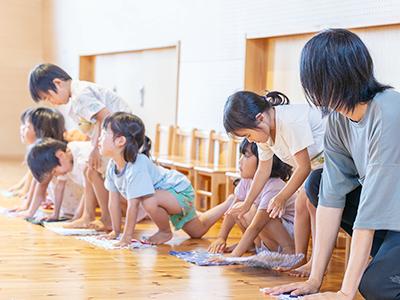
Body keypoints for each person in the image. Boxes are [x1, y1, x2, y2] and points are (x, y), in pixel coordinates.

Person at [264, 28, 400, 300]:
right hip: (391, 218)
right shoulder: (339, 119)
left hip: (388, 213)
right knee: (317, 182)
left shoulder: (389, 111)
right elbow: (331, 196)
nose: (312, 89)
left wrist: (344, 293)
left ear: (339, 75)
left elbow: (371, 208)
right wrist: (315, 278)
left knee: (375, 286)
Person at [223, 90, 326, 275]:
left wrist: (282, 197)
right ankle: (298, 258)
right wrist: (247, 204)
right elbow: (263, 170)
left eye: (247, 135)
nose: (250, 140)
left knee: (309, 204)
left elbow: (303, 167)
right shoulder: (265, 130)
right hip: (317, 167)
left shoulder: (289, 123)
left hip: (334, 161)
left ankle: (317, 264)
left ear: (260, 118)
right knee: (303, 205)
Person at [98, 112, 236, 246]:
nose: (99, 138)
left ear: (121, 141)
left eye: (104, 133)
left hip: (179, 191)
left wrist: (126, 237)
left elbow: (133, 205)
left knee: (148, 200)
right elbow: (113, 201)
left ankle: (164, 231)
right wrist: (116, 232)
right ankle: (229, 202)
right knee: (198, 231)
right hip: (167, 196)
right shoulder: (112, 166)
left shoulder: (137, 164)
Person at [28, 63, 137, 229]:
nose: (52, 103)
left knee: (91, 169)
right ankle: (89, 215)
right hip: (120, 138)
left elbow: (106, 118)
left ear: (58, 83)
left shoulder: (81, 94)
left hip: (126, 141)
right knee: (89, 169)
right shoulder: (79, 93)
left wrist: (94, 150)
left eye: (49, 98)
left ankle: (105, 219)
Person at [207, 139, 295, 260]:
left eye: (246, 156)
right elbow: (231, 210)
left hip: (287, 236)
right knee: (238, 208)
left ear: (264, 161)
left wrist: (234, 256)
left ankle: (288, 249)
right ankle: (252, 244)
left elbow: (256, 226)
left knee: (253, 211)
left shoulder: (274, 185)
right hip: (267, 237)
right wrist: (221, 238)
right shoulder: (247, 180)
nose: (240, 161)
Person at [11, 107, 84, 219]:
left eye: (27, 126)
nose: (22, 128)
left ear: (40, 132)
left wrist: (30, 211)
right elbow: (37, 180)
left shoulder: (52, 155)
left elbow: (41, 183)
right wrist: (27, 206)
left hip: (74, 202)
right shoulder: (48, 152)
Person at [27, 138, 109, 224]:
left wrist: (76, 218)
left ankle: (101, 218)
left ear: (60, 155)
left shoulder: (82, 160)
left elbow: (88, 191)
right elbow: (59, 187)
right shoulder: (66, 156)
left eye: (55, 171)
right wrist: (55, 214)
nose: (57, 174)